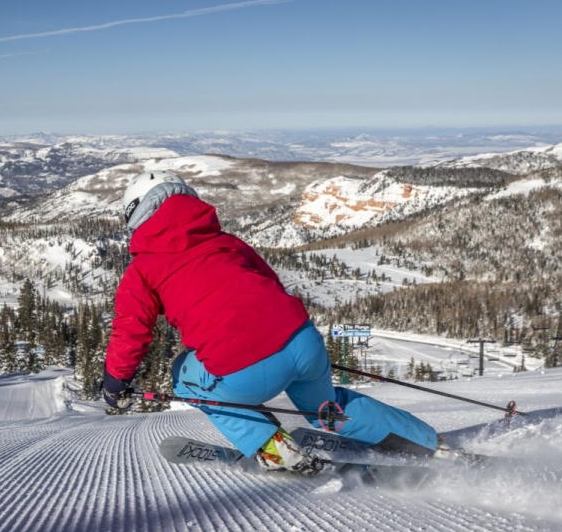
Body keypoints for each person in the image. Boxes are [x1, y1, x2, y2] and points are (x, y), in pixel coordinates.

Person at [101, 170, 439, 475]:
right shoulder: (226, 242)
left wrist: (115, 383)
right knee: (325, 408)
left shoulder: (143, 269)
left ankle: (277, 450)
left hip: (242, 366)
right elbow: (269, 284)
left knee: (184, 377)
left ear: (137, 215)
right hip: (302, 342)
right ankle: (428, 445)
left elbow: (131, 330)